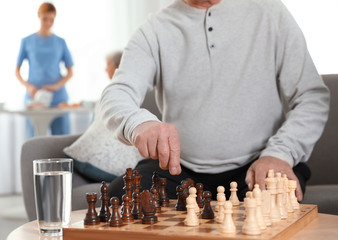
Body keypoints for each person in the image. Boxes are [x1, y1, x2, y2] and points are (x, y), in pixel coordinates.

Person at [100, 0, 330, 202]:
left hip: (259, 164)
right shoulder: (154, 30)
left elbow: (311, 97)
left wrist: (280, 154)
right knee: (122, 194)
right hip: (177, 170)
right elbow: (117, 92)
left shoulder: (271, 11)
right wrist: (137, 122)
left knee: (275, 201)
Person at [15, 2, 74, 136]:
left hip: (57, 98)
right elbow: (17, 71)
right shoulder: (27, 41)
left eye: (51, 19)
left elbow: (70, 72)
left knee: (60, 140)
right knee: (35, 140)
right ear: (39, 16)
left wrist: (55, 86)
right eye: (45, 19)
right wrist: (28, 87)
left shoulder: (60, 42)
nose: (48, 23)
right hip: (34, 98)